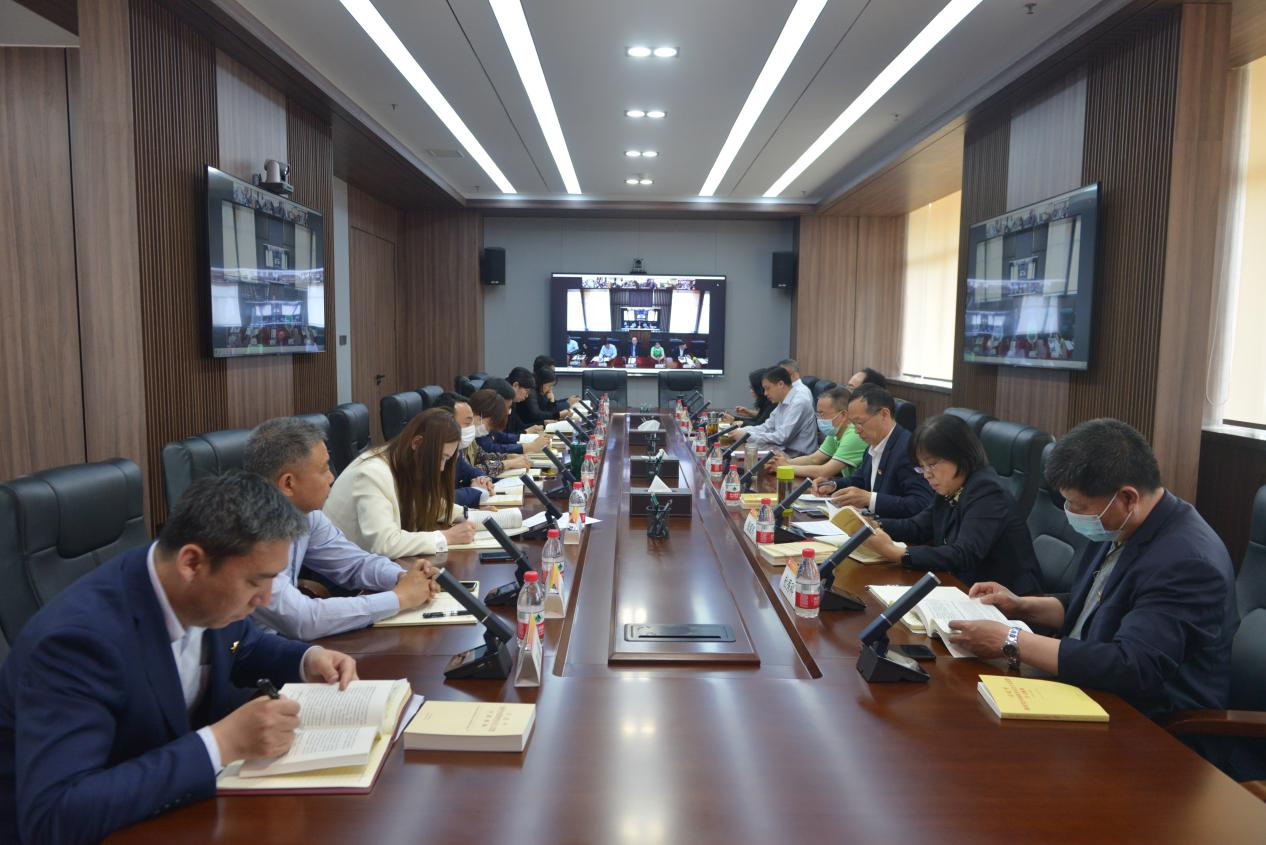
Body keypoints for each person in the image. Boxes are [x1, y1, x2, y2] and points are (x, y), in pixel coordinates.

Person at [0, 472, 358, 845]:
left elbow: (242, 645)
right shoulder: (76, 644)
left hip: (174, 813)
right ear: (191, 563)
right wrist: (221, 743)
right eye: (256, 581)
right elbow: (56, 817)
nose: (266, 598)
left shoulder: (197, 592)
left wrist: (307, 658)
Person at [947, 418, 1238, 720]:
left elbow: (1134, 666)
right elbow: (1097, 607)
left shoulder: (1186, 562)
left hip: (1146, 721)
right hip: (1086, 688)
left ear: (1128, 498)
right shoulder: (1121, 524)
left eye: (1078, 506)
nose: (1070, 514)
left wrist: (1012, 641)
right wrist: (1021, 606)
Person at [242, 417, 441, 639]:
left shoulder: (309, 515)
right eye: (323, 469)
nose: (332, 477)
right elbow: (301, 619)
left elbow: (354, 563)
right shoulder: (247, 533)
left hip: (276, 645)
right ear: (288, 483)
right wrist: (399, 598)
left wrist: (402, 577)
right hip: (249, 651)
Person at [860, 414, 1043, 594]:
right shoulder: (952, 484)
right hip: (966, 586)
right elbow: (917, 527)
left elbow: (964, 553)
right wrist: (871, 525)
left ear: (959, 455)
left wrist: (898, 553)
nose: (927, 475)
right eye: (921, 467)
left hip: (1008, 598)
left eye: (931, 465)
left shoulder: (987, 491)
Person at [324, 408, 481, 558]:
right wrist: (445, 537)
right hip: (343, 572)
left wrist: (469, 515)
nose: (441, 468)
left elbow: (428, 505)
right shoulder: (372, 473)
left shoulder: (401, 462)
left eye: (446, 459)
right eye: (441, 457)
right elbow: (384, 544)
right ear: (417, 443)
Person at [813, 385, 933, 518]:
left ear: (884, 414)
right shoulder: (873, 444)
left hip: (894, 528)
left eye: (860, 422)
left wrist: (870, 499)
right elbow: (859, 479)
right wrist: (833, 485)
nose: (856, 430)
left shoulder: (908, 449)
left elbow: (921, 503)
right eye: (853, 423)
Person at [770, 386, 867, 479]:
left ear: (843, 415)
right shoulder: (836, 432)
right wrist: (783, 462)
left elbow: (824, 472)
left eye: (822, 414)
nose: (819, 419)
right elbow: (814, 459)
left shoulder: (854, 435)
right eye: (818, 414)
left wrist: (785, 467)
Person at [428, 392, 499, 507]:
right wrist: (476, 490)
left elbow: (469, 471)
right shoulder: (428, 449)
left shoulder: (455, 449)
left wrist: (484, 480)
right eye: (467, 423)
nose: (472, 427)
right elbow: (438, 499)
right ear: (445, 420)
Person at [738, 366, 818, 457]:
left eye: (767, 388)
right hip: (783, 450)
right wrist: (740, 431)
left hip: (797, 457)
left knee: (747, 454)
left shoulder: (799, 403)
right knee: (744, 450)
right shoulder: (782, 402)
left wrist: (747, 435)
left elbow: (782, 437)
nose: (765, 393)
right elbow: (766, 427)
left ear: (780, 384)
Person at [477, 379, 547, 455]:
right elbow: (489, 448)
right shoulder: (476, 420)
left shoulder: (487, 418)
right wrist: (525, 447)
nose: (508, 412)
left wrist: (531, 440)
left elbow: (500, 436)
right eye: (506, 408)